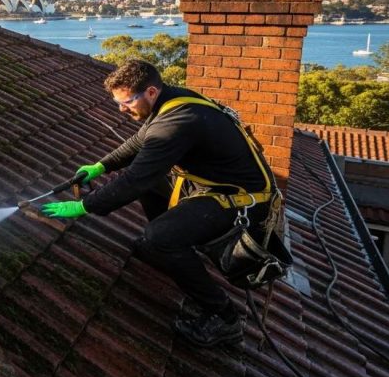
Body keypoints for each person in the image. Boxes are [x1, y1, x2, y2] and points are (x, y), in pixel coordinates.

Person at [41, 59, 278, 347]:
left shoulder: (178, 121)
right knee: (154, 192)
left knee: (159, 237)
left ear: (151, 92)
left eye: (126, 102)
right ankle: (169, 249)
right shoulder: (169, 101)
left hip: (243, 203)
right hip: (214, 187)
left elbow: (135, 179)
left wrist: (85, 206)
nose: (121, 109)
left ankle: (225, 318)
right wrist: (101, 166)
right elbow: (139, 143)